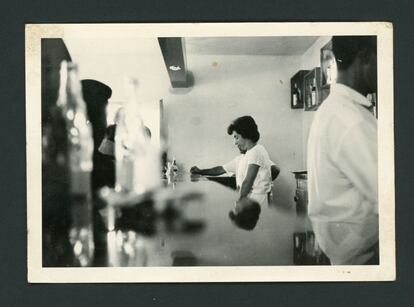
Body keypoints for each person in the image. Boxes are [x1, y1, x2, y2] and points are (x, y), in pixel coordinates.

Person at [307, 36, 378, 265]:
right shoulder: (352, 120)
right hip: (363, 255)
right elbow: (391, 195)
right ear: (366, 57)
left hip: (342, 249)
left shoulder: (333, 108)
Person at [191, 116, 278, 205]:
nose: (235, 142)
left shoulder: (255, 151)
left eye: (236, 137)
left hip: (256, 201)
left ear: (246, 134)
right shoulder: (248, 154)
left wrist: (240, 201)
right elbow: (221, 169)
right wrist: (200, 171)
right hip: (251, 199)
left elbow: (247, 182)